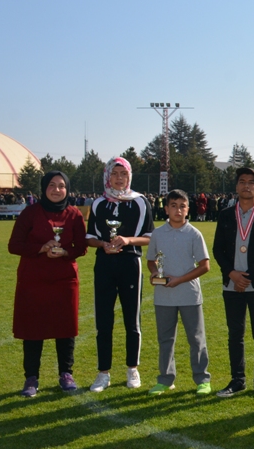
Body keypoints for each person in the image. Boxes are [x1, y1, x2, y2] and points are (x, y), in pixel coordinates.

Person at [8, 172, 88, 397]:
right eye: (52, 185)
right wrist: (41, 248)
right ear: (44, 188)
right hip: (33, 280)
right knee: (33, 329)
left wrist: (65, 252)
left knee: (65, 328)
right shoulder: (30, 213)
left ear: (67, 189)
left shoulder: (74, 214)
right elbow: (14, 245)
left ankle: (66, 374)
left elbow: (81, 247)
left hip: (64, 280)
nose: (56, 190)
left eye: (61, 186)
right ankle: (31, 377)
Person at [86, 157, 154, 393]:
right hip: (104, 264)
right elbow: (90, 237)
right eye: (114, 173)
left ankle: (132, 369)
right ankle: (103, 373)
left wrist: (127, 240)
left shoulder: (140, 202)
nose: (119, 178)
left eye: (123, 173)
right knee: (103, 319)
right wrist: (103, 244)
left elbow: (149, 237)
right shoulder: (98, 203)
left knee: (132, 319)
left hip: (130, 263)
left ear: (129, 176)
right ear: (107, 176)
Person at [212, 167, 254, 399]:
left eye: (251, 182)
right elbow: (217, 249)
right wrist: (232, 274)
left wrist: (245, 276)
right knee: (235, 334)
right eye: (242, 181)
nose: (246, 186)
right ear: (237, 186)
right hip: (231, 284)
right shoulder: (225, 215)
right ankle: (237, 380)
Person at [146, 189, 212, 396]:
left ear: (188, 209)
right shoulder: (157, 234)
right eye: (173, 206)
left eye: (182, 206)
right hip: (163, 296)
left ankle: (202, 379)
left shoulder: (194, 234)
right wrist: (155, 273)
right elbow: (151, 260)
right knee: (165, 340)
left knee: (196, 339)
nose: (178, 210)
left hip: (189, 295)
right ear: (166, 209)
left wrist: (179, 280)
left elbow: (205, 266)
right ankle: (165, 380)